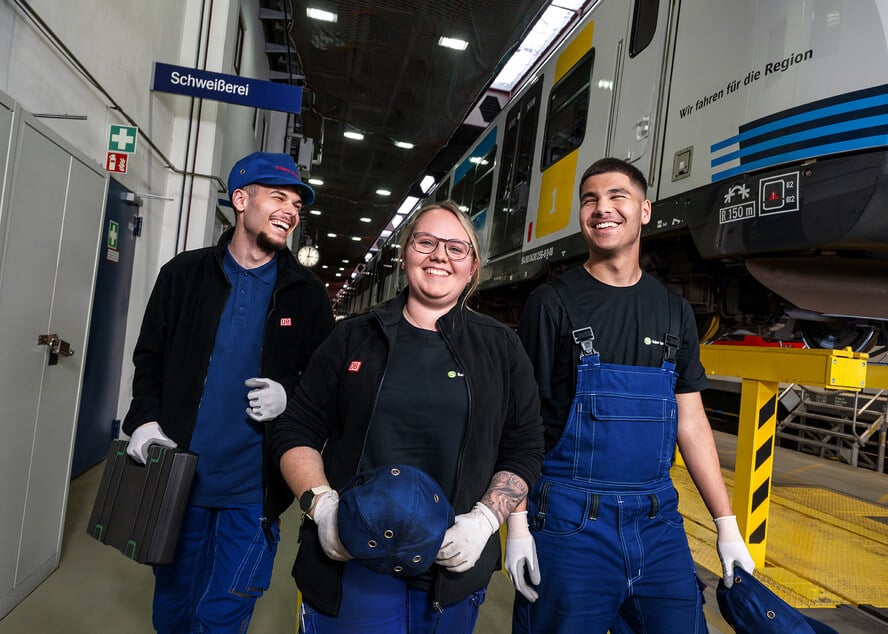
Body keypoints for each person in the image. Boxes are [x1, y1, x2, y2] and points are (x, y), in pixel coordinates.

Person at [269, 201, 545, 633]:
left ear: (472, 267)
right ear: (405, 256)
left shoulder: (500, 350)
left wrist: (488, 520)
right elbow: (295, 429)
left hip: (451, 572)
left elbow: (523, 446)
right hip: (351, 564)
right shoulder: (353, 338)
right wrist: (321, 507)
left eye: (456, 248)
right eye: (426, 242)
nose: (440, 256)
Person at [509, 157, 755, 633]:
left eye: (616, 196)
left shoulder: (673, 310)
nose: (602, 209)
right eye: (590, 200)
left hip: (657, 521)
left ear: (644, 210)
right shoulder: (551, 303)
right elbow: (522, 422)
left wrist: (727, 525)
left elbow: (691, 420)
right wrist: (515, 524)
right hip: (569, 522)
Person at [121, 151, 335, 633]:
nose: (291, 210)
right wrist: (144, 420)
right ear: (241, 199)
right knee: (172, 611)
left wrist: (290, 393)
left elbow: (326, 383)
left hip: (253, 493)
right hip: (180, 481)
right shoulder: (184, 275)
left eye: (297, 203)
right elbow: (150, 356)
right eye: (278, 196)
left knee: (222, 617)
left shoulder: (306, 293)